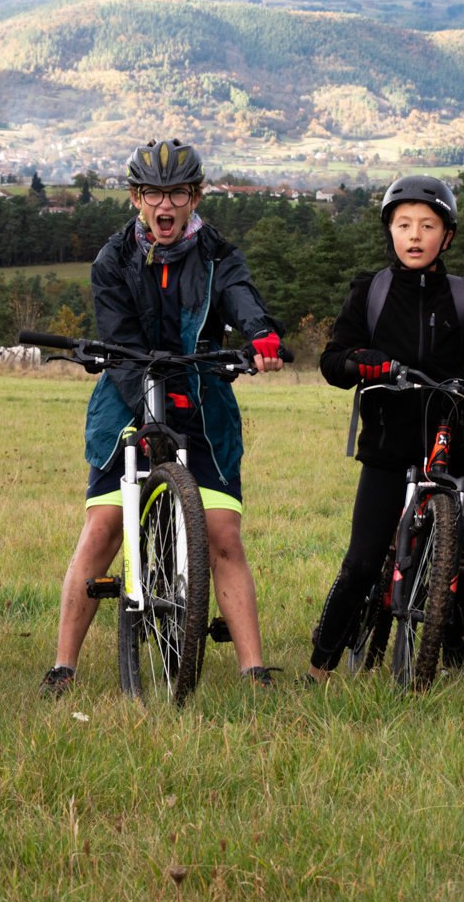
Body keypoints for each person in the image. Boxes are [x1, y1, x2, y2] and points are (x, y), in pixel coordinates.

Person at [44, 140, 286, 695]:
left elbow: (240, 295)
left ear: (196, 196)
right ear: (136, 198)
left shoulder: (219, 254)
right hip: (126, 398)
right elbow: (120, 341)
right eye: (153, 193)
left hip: (204, 403)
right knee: (103, 527)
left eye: (178, 192)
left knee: (223, 534)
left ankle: (253, 671)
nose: (165, 205)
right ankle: (63, 668)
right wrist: (150, 398)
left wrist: (259, 333)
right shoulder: (112, 259)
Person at [305, 175, 464, 677]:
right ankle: (319, 668)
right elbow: (333, 362)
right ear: (390, 232)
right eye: (404, 225)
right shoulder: (370, 291)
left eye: (428, 225)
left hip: (450, 439)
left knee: (455, 561)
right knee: (362, 560)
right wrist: (364, 362)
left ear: (447, 235)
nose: (415, 235)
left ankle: (453, 667)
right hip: (386, 441)